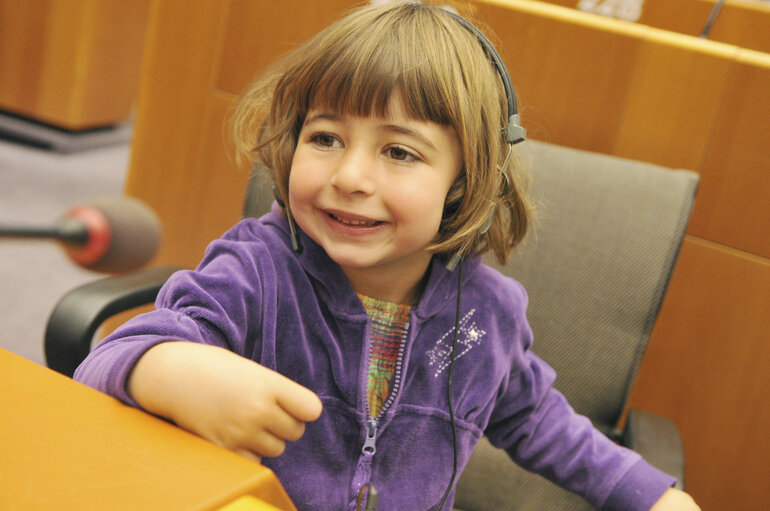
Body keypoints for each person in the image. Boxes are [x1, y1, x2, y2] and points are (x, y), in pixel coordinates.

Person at [74, 2, 700, 510]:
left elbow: (539, 422)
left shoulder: (487, 312)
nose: (348, 175)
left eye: (399, 152)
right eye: (325, 138)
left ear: (465, 180)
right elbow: (107, 363)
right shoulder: (253, 271)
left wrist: (652, 496)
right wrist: (172, 367)